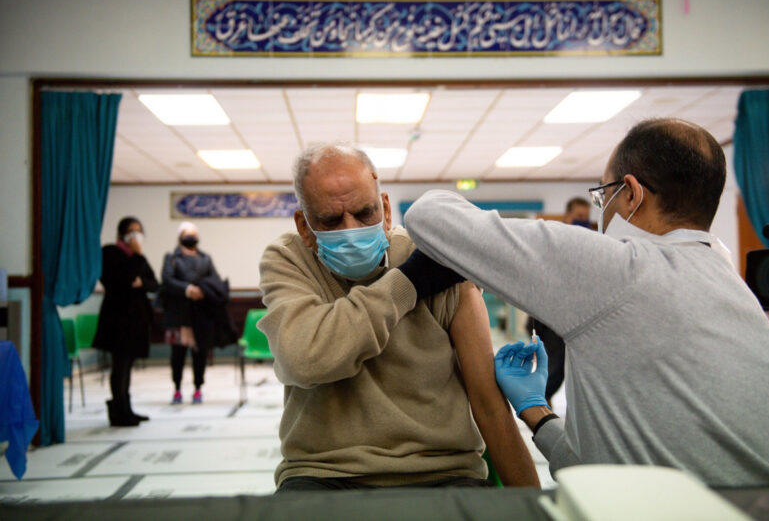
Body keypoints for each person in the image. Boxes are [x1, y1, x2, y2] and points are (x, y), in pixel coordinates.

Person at [404, 118, 769, 487]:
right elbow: (600, 471)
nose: (602, 211)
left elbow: (429, 216)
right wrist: (536, 412)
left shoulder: (619, 268)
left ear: (630, 193)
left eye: (603, 195)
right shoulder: (742, 294)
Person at [257, 143, 538, 492]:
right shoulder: (289, 260)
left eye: (365, 213)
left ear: (386, 210)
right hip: (324, 473)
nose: (351, 230)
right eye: (330, 220)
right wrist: (406, 284)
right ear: (303, 225)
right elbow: (305, 359)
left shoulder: (435, 259)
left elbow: (489, 405)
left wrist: (533, 504)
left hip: (442, 471)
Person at [526, 196, 594, 403]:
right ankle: (540, 413)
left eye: (586, 217)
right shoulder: (552, 241)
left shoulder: (590, 245)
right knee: (554, 371)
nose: (583, 220)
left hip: (578, 317)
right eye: (578, 216)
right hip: (551, 318)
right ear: (568, 216)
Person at [93, 216, 158, 427]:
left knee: (128, 365)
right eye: (132, 231)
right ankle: (118, 411)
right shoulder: (110, 252)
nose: (136, 235)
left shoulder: (138, 256)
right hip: (117, 319)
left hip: (137, 320)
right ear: (122, 234)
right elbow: (120, 281)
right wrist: (136, 262)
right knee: (119, 365)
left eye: (139, 231)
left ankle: (127, 409)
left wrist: (140, 281)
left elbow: (153, 283)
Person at [161, 222, 233, 405]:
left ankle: (198, 388)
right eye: (187, 233)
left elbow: (214, 279)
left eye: (194, 233)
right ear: (180, 236)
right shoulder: (171, 258)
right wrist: (187, 289)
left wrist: (202, 290)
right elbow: (167, 280)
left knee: (200, 353)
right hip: (178, 315)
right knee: (177, 354)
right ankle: (177, 389)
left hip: (201, 315)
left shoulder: (205, 258)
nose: (191, 236)